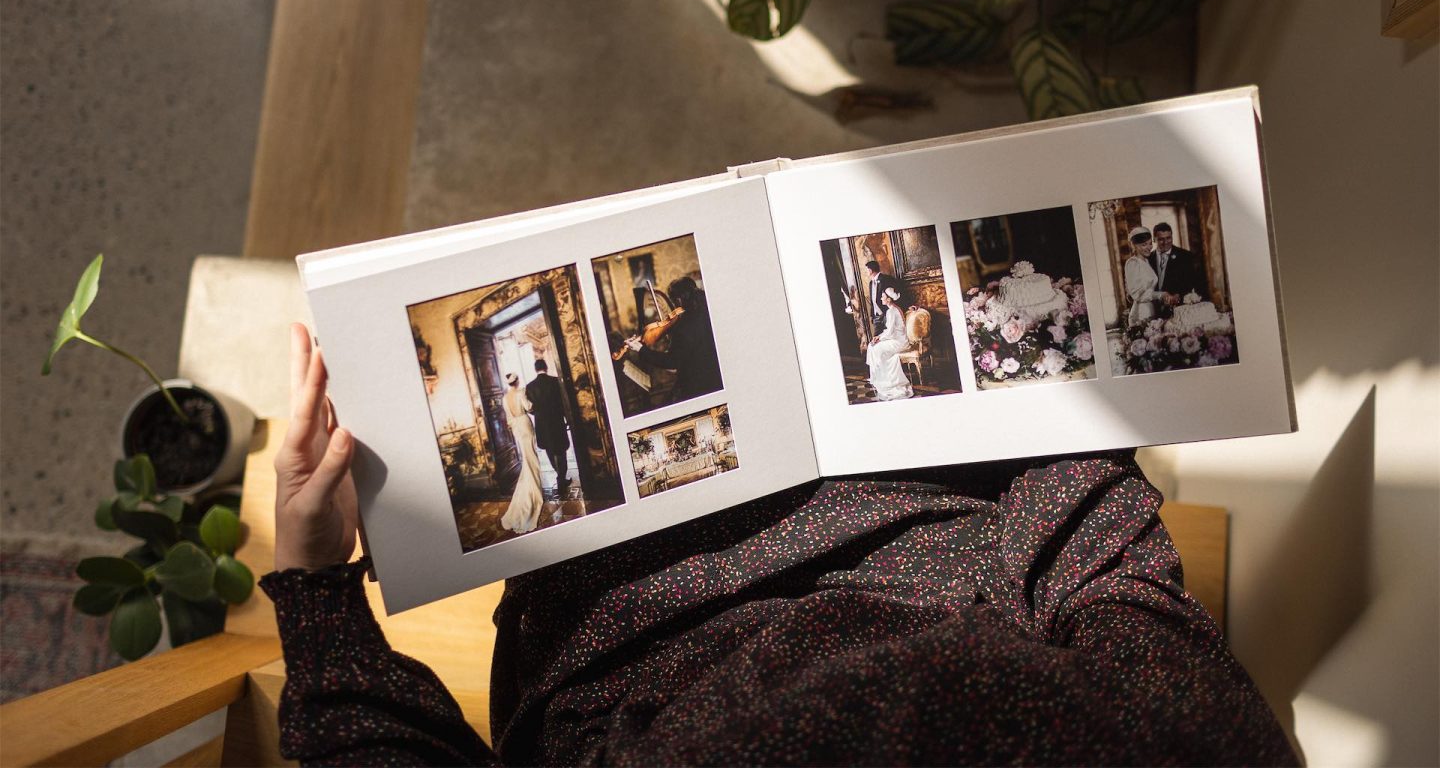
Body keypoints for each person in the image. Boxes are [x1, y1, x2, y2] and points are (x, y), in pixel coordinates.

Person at [265, 324, 1296, 766]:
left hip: (609, 588)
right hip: (924, 506)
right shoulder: (1179, 751)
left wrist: (317, 589)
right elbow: (1104, 553)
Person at [627, 276, 722, 405]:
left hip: (697, 386)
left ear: (678, 299)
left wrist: (640, 349)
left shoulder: (684, 326)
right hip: (717, 378)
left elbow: (672, 361)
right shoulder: (709, 311)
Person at [499, 372, 543, 535]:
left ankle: (529, 481)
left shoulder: (504, 398)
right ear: (516, 382)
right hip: (524, 423)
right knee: (532, 455)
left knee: (526, 456)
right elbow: (529, 407)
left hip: (517, 427)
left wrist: (514, 425)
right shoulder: (521, 392)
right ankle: (533, 488)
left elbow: (509, 418)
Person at [524, 358, 571, 494]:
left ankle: (559, 475)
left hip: (542, 424)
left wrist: (537, 415)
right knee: (561, 449)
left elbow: (531, 409)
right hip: (556, 420)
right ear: (546, 367)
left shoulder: (530, 386)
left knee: (549, 449)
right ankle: (561, 477)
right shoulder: (555, 381)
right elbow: (562, 403)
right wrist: (566, 418)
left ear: (535, 369)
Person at [865, 287, 914, 401]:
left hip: (899, 342)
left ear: (889, 299)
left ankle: (884, 380)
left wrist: (879, 338)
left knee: (876, 348)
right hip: (897, 339)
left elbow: (890, 332)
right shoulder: (894, 309)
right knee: (872, 346)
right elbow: (889, 331)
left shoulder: (891, 311)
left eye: (883, 297)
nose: (881, 298)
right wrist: (879, 337)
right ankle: (877, 376)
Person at [1124, 226, 1177, 327]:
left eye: (1150, 243)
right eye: (1144, 245)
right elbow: (1137, 294)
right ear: (1134, 246)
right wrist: (1161, 295)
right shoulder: (1132, 263)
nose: (1149, 247)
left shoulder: (1146, 261)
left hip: (1151, 311)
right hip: (1140, 314)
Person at [1150, 222, 1206, 303]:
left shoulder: (1185, 256)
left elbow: (1192, 282)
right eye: (1161, 239)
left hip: (1177, 306)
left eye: (1168, 238)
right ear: (1154, 239)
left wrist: (1179, 295)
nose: (1165, 242)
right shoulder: (1148, 259)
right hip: (1153, 307)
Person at [863, 259, 904, 335]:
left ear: (870, 270)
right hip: (876, 317)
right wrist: (872, 315)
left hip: (887, 315)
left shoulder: (886, 279)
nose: (866, 272)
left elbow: (896, 296)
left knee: (887, 336)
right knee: (876, 338)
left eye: (866, 270)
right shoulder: (871, 283)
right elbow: (873, 300)